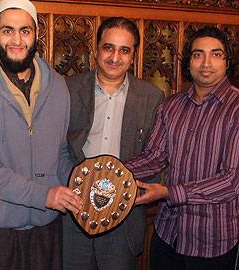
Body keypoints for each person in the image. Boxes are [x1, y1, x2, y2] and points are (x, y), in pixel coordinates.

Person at [0, 0, 83, 269]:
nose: (16, 40)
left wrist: (80, 183)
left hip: (45, 231)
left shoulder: (58, 86)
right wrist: (44, 196)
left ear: (37, 34)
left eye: (25, 31)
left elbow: (58, 153)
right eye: (7, 30)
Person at [125, 26, 239, 270]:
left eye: (216, 54)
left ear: (227, 62)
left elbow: (232, 181)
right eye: (198, 54)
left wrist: (168, 193)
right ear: (188, 61)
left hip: (212, 241)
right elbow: (154, 157)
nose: (206, 63)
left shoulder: (236, 108)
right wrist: (111, 170)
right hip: (168, 234)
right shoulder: (172, 106)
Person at [63, 17, 163, 270]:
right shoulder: (67, 89)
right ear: (96, 50)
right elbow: (55, 147)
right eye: (108, 47)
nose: (115, 57)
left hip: (124, 218)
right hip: (74, 213)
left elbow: (156, 156)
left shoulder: (151, 98)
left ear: (133, 56)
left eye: (124, 50)